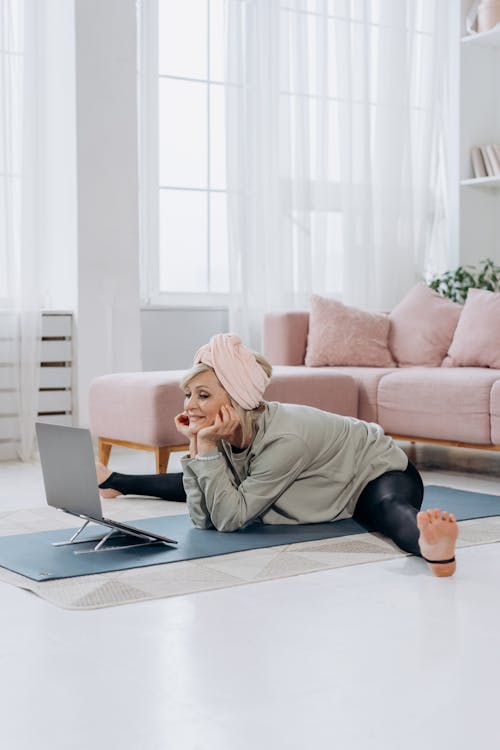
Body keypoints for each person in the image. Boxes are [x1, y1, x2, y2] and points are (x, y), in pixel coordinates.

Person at [97, 333, 458, 577]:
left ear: (237, 399)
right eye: (188, 394)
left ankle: (432, 547)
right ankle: (114, 481)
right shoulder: (224, 428)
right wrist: (197, 447)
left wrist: (202, 448)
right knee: (222, 477)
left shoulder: (286, 439)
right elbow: (203, 518)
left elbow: (229, 519)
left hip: (376, 470)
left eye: (202, 395)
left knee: (385, 510)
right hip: (325, 481)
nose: (190, 406)